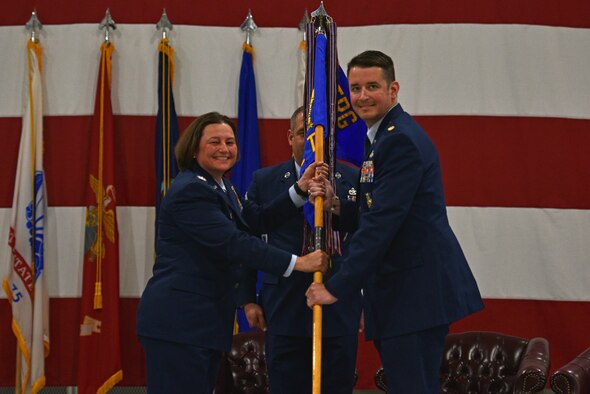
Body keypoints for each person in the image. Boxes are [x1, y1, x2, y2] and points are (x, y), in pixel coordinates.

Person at [305, 51, 484, 393]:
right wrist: (336, 206)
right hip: (404, 293)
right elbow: (376, 210)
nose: (361, 96)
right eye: (355, 88)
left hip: (414, 294)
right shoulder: (383, 136)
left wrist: (336, 286)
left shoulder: (398, 140)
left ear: (393, 89)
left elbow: (382, 225)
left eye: (372, 86)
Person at [136, 112, 329, 394]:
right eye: (215, 142)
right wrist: (298, 263)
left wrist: (299, 190)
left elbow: (257, 221)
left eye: (230, 141)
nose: (224, 149)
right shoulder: (191, 190)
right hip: (179, 324)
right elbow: (235, 243)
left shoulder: (222, 186)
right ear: (194, 147)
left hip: (203, 324)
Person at [239, 106, 362, 394]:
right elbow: (248, 240)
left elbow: (363, 241)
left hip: (339, 305)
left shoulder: (352, 179)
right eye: (303, 135)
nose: (312, 143)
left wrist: (363, 297)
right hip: (282, 308)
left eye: (320, 136)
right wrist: (247, 299)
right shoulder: (264, 180)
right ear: (289, 138)